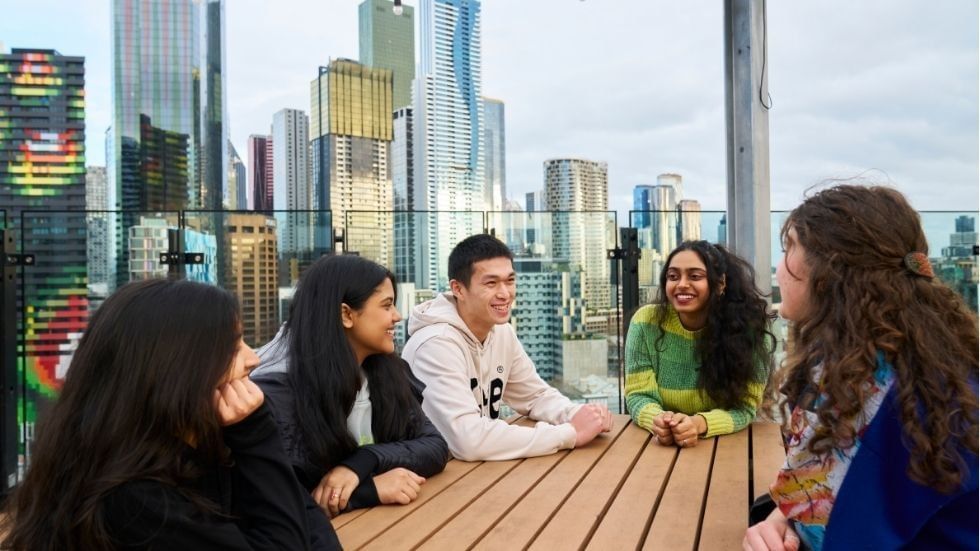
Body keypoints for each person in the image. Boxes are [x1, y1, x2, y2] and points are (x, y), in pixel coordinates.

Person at [0, 278, 339, 550]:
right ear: (176, 370)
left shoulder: (197, 448)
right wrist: (257, 437)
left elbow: (305, 517)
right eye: (233, 347)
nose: (254, 359)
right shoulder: (134, 502)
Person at [743, 185, 979, 551]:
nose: (779, 268)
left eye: (789, 246)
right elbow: (831, 498)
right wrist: (782, 519)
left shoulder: (899, 397)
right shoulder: (867, 364)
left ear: (830, 269)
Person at [251, 254, 449, 518]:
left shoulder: (387, 370)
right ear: (346, 314)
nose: (397, 316)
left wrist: (363, 462)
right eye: (387, 306)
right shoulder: (280, 393)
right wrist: (368, 491)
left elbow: (434, 446)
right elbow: (279, 503)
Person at [401, 233, 613, 462]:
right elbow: (469, 440)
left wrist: (577, 414)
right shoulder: (435, 345)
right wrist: (570, 433)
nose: (505, 294)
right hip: (432, 475)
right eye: (491, 283)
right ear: (458, 289)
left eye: (510, 281)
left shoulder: (501, 332)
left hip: (479, 469)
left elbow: (534, 396)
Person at [625, 240, 775, 448]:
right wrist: (659, 422)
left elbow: (745, 408)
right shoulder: (645, 323)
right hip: (660, 446)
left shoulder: (752, 332)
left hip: (726, 447)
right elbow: (638, 395)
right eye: (673, 276)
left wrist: (698, 424)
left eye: (695, 276)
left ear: (720, 284)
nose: (681, 284)